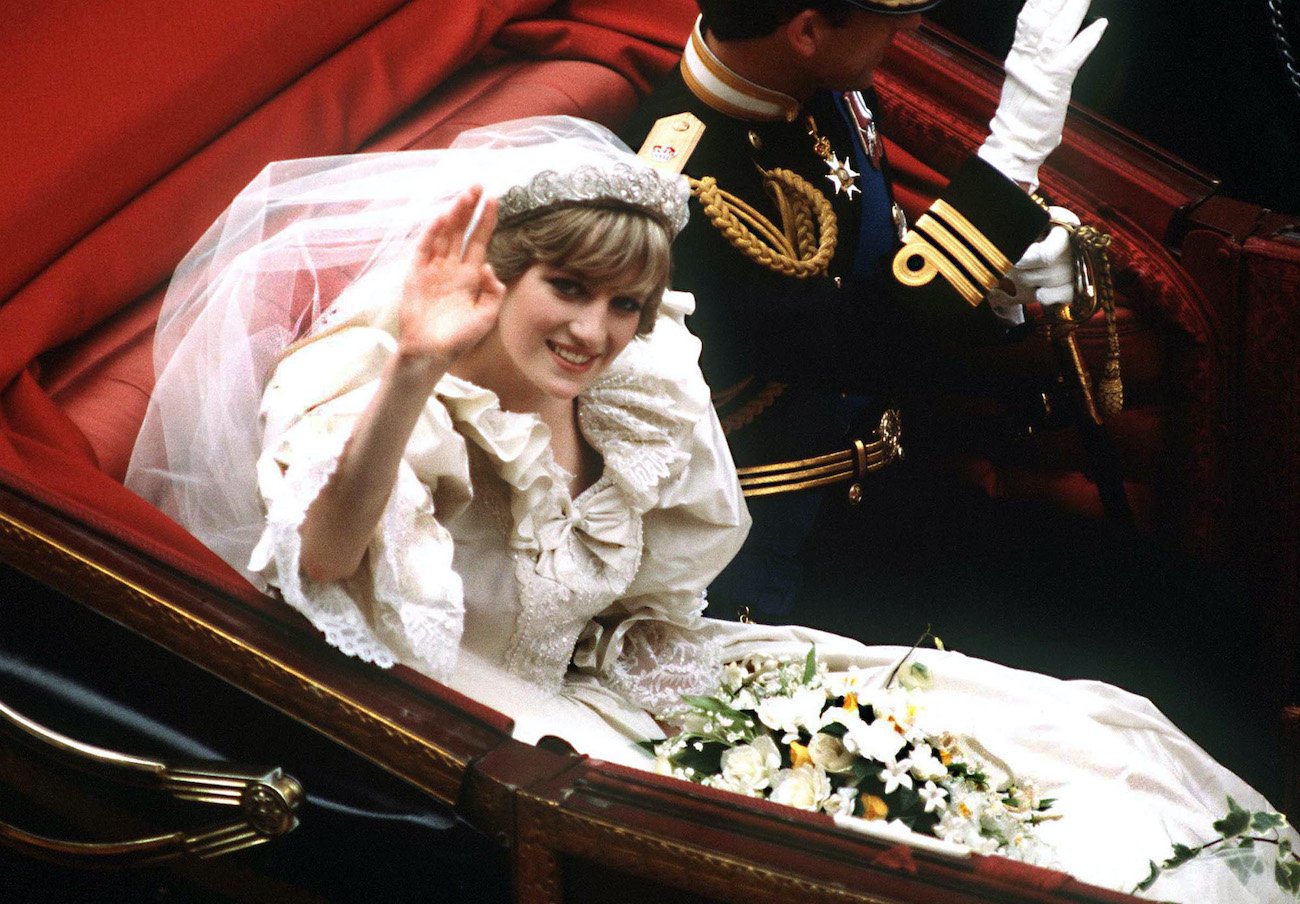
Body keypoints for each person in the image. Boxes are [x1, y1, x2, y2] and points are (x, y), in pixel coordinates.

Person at [127, 117, 1290, 902]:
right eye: (567, 289)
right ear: (496, 274)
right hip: (499, 741)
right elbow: (329, 559)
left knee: (1042, 752)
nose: (594, 331)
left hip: (634, 672)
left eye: (625, 303)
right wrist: (416, 370)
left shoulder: (629, 383)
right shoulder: (375, 393)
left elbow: (651, 581)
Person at [620, 0, 1104, 618]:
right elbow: (856, 342)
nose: (912, 26)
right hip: (779, 559)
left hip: (899, 484)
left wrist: (996, 284)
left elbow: (872, 272)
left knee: (1189, 610)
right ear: (807, 30)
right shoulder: (678, 193)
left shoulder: (817, 86)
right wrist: (1009, 163)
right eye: (889, 14)